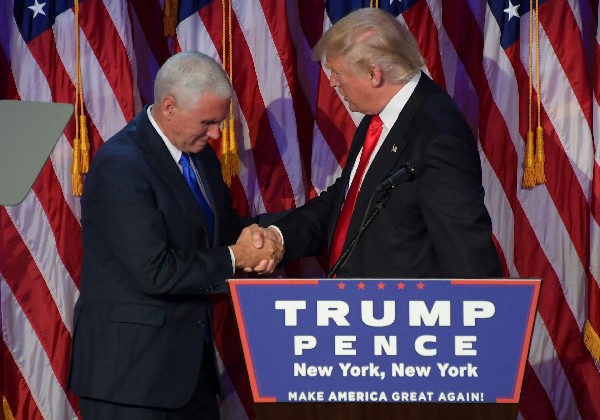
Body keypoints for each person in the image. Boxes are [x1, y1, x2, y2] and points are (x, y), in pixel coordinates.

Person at [68, 51, 282, 419]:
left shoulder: (198, 154)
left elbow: (224, 230)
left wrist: (266, 237)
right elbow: (155, 270)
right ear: (169, 107)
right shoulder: (122, 165)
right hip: (131, 382)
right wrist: (237, 257)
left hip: (187, 375)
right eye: (208, 122)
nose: (217, 134)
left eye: (220, 122)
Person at [258, 8, 502, 279]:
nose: (333, 82)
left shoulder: (436, 135)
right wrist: (279, 236)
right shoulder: (380, 114)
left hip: (404, 312)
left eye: (338, 72)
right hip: (358, 307)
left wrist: (484, 312)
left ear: (374, 75)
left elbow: (464, 245)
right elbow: (349, 198)